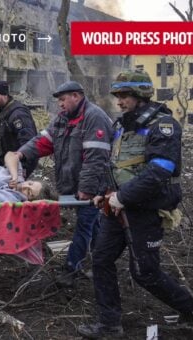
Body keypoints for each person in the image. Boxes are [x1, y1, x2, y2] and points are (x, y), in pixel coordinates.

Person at [77, 70, 193, 338]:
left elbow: (159, 171)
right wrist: (103, 192)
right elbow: (117, 166)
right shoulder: (122, 126)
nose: (119, 101)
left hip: (146, 210)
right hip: (116, 208)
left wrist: (122, 196)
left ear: (140, 95)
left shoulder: (163, 126)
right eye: (117, 96)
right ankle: (109, 325)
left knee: (144, 272)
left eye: (124, 95)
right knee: (102, 259)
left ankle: (189, 308)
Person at [15, 80, 113, 287]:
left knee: (85, 225)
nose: (60, 104)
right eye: (58, 100)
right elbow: (43, 142)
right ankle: (102, 264)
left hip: (94, 185)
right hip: (74, 184)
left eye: (63, 100)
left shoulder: (94, 118)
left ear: (76, 96)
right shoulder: (62, 120)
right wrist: (21, 153)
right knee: (94, 224)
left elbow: (96, 159)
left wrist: (86, 189)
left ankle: (71, 268)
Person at [0, 80, 38, 178]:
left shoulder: (18, 114)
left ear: (5, 95)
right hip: (5, 164)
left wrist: (20, 170)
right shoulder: (4, 111)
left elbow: (29, 143)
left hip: (16, 165)